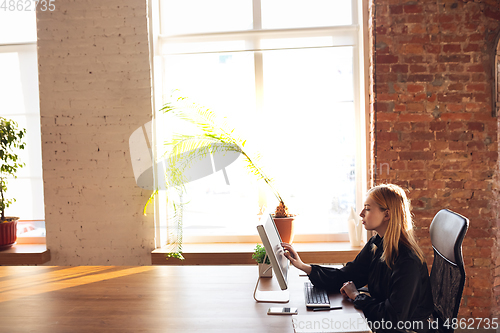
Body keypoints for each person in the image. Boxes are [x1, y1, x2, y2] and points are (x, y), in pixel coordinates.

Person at [282, 184, 434, 333]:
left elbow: (392, 319)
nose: (361, 213)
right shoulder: (376, 244)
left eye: (367, 209)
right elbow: (346, 275)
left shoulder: (407, 262)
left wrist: (356, 296)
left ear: (387, 214)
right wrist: (304, 267)